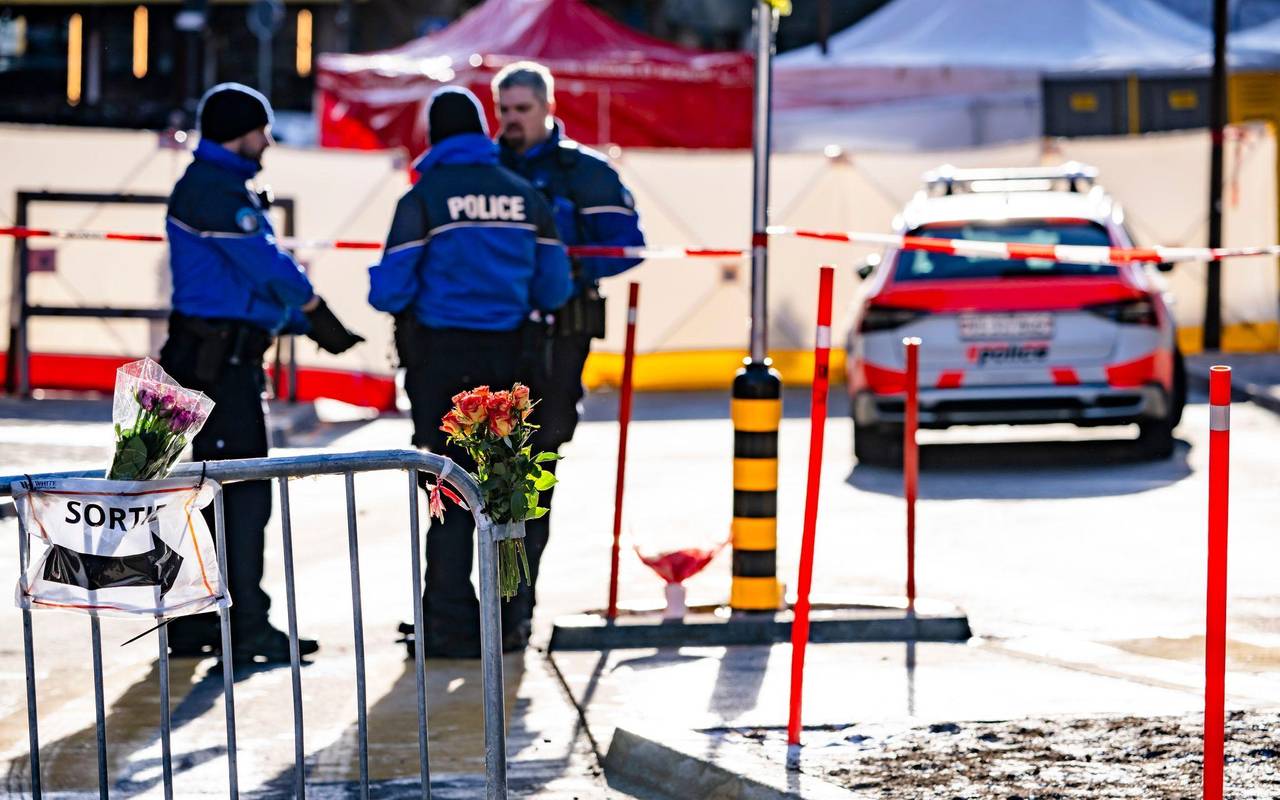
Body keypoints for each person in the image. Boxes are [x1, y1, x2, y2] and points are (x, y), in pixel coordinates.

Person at [161, 83, 364, 663]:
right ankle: (245, 626)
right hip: (216, 367)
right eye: (262, 130)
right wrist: (313, 311)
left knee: (198, 494)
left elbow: (245, 285)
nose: (268, 142)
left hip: (210, 357)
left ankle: (196, 622)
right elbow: (266, 268)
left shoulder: (216, 186)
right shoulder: (216, 190)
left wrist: (297, 321)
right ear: (240, 130)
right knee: (241, 496)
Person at [368, 86, 571, 658]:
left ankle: (451, 624)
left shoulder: (425, 198)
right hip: (513, 365)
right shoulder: (526, 196)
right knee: (509, 495)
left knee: (449, 492)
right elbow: (554, 287)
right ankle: (508, 620)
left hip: (443, 367)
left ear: (433, 136)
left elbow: (392, 290)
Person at [491, 61, 645, 637]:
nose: (510, 122)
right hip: (493, 341)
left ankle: (516, 606)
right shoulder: (485, 167)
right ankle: (464, 610)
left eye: (521, 110)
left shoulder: (586, 173)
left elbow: (629, 247)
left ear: (548, 108)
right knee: (477, 476)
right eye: (503, 110)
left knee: (532, 477)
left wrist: (564, 266)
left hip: (558, 342)